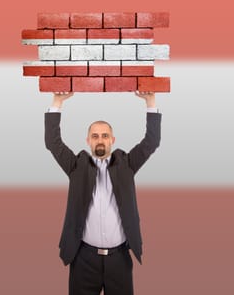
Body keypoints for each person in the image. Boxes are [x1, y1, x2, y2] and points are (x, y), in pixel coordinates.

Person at [45, 91, 162, 295]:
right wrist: (57, 101)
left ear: (112, 140)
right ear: (88, 140)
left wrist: (150, 101)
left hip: (120, 260)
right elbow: (53, 143)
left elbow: (151, 143)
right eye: (95, 136)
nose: (100, 140)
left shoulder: (127, 164)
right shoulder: (76, 166)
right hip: (83, 259)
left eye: (105, 136)